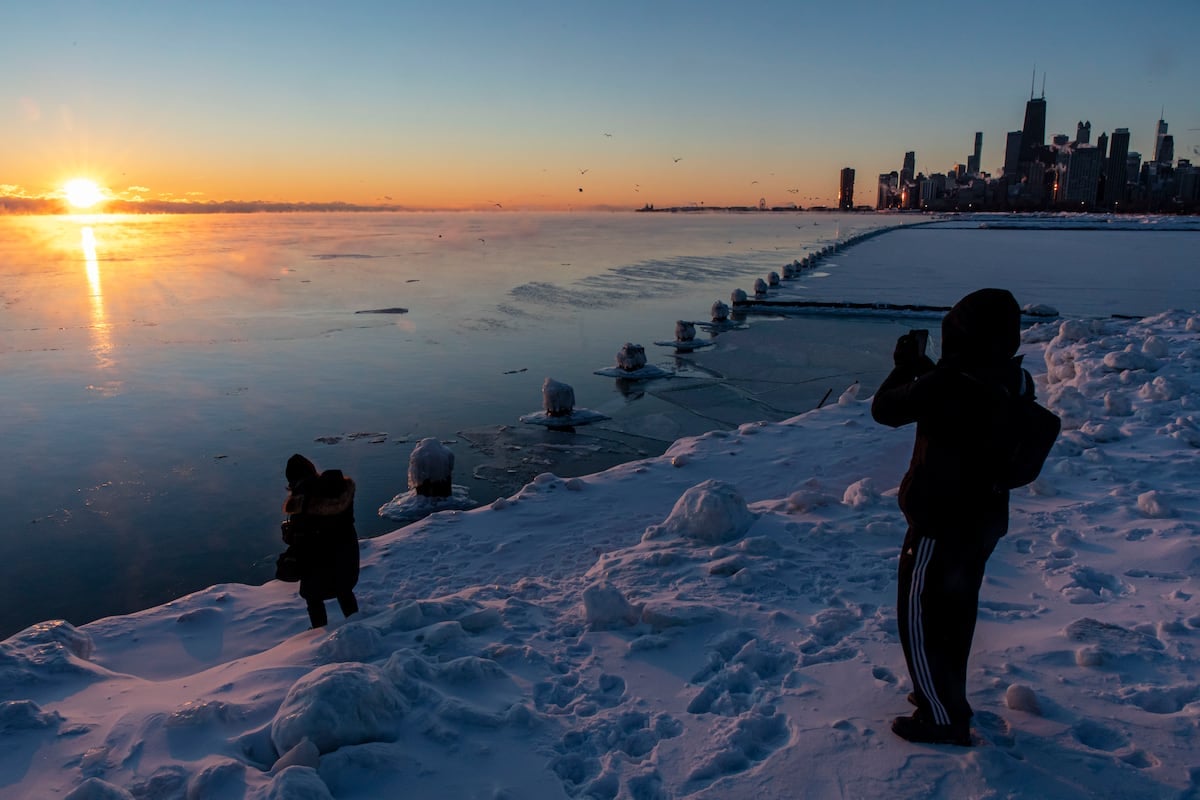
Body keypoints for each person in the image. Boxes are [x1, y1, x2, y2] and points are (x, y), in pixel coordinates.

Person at [871, 288, 1034, 746]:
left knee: (920, 616)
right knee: (956, 612)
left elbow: (885, 409)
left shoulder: (950, 384)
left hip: (939, 521)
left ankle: (940, 715)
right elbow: (949, 396)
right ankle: (942, 693)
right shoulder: (1013, 379)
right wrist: (925, 373)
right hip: (982, 518)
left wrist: (904, 365)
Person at [282, 454, 360, 628]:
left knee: (313, 597)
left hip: (319, 562)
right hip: (347, 555)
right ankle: (357, 623)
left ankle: (318, 633)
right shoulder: (338, 490)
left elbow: (301, 541)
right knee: (344, 591)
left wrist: (288, 536)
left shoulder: (302, 500)